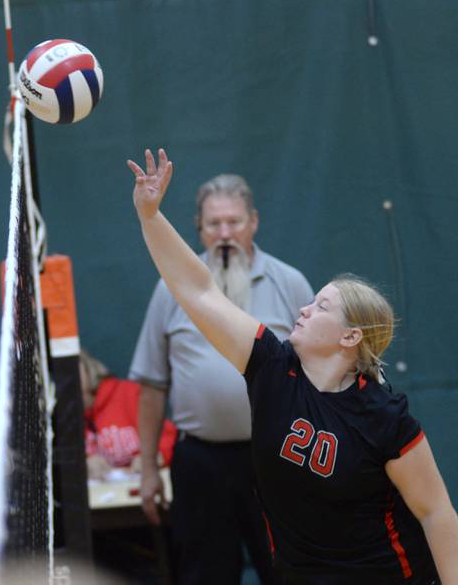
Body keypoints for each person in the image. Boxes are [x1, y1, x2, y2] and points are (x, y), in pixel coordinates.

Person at [127, 148, 458, 584]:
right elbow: (200, 290)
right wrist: (150, 216)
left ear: (350, 336)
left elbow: (436, 512)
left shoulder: (384, 417)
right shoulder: (271, 367)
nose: (303, 308)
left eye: (321, 306)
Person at [130, 166, 312, 584]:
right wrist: (146, 469)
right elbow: (152, 386)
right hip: (200, 463)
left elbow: (319, 376)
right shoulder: (171, 288)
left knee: (290, 571)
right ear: (198, 229)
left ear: (254, 223)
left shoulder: (290, 283)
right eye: (214, 224)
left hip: (278, 458)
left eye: (234, 222)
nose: (225, 232)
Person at [79, 349, 176, 480]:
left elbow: (168, 437)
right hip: (100, 495)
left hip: (142, 487)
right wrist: (84, 464)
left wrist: (153, 457)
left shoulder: (128, 394)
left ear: (87, 368)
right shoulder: (60, 419)